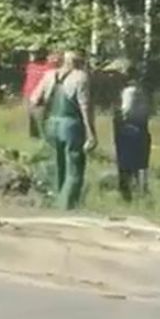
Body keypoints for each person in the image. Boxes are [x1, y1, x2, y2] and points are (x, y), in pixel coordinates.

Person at [31, 50, 97, 210]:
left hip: (52, 124)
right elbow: (84, 106)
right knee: (74, 167)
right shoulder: (80, 77)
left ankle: (55, 201)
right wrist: (91, 133)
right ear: (80, 62)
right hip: (71, 125)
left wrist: (40, 124)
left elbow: (34, 99)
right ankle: (67, 206)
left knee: (57, 164)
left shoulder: (49, 75)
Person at [112, 61, 151, 200]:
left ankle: (126, 194)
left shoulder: (129, 91)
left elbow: (126, 111)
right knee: (141, 163)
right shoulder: (141, 89)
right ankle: (141, 192)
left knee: (125, 162)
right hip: (142, 128)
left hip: (129, 128)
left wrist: (117, 113)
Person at [22, 47, 59, 139]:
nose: (33, 55)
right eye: (32, 53)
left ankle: (47, 138)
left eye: (35, 53)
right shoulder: (30, 65)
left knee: (43, 118)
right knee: (31, 117)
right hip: (28, 94)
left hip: (42, 95)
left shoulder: (49, 66)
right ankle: (34, 137)